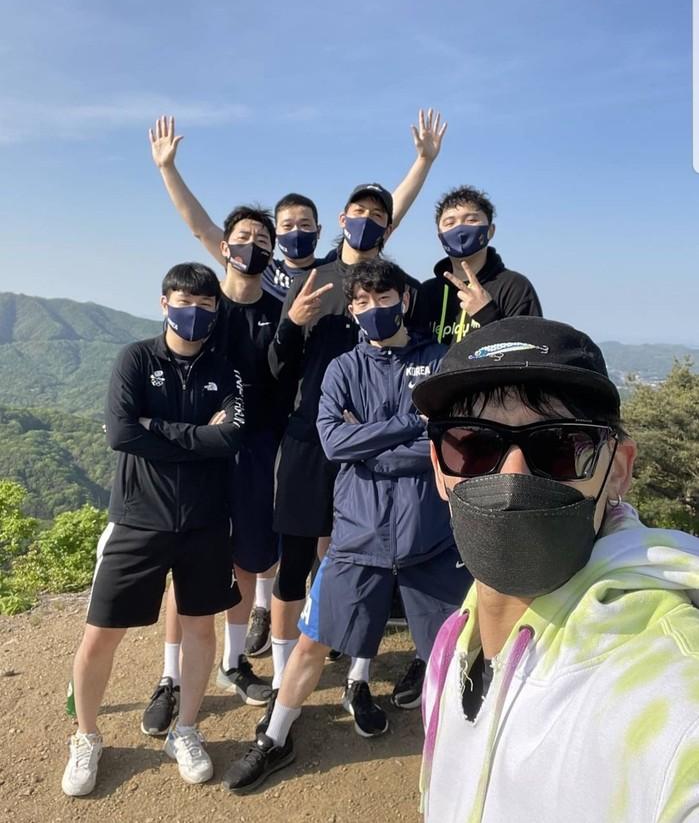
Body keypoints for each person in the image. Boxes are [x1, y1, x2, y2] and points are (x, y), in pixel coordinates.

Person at [412, 315, 699, 822]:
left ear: (618, 471)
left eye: (560, 448)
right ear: (439, 467)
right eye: (473, 446)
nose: (513, 475)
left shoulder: (669, 685)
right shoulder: (453, 642)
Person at [222, 259, 470, 793]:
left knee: (451, 652)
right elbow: (334, 443)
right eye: (361, 302)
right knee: (313, 642)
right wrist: (411, 425)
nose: (372, 309)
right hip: (358, 535)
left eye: (383, 299)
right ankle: (274, 736)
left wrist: (372, 443)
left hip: (429, 537)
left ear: (405, 300)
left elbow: (448, 443)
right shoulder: (342, 368)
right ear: (352, 310)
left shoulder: (439, 363)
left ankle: (461, 753)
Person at [62, 263, 245, 796]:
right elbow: (121, 433)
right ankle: (86, 736)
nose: (194, 312)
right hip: (136, 519)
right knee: (101, 633)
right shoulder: (136, 359)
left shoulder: (226, 371)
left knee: (200, 630)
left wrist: (158, 428)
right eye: (184, 301)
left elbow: (231, 439)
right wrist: (196, 436)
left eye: (205, 304)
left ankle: (184, 730)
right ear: (164, 303)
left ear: (216, 309)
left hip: (206, 521)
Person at [139, 204, 288, 738]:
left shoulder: (281, 309)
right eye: (243, 236)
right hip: (200, 453)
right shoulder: (205, 304)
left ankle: (233, 662)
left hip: (256, 451)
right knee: (188, 564)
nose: (253, 245)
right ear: (225, 247)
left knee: (246, 561)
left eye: (262, 239)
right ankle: (171, 677)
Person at [148, 110, 445, 300]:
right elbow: (202, 229)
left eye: (305, 225)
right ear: (276, 233)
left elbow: (388, 217)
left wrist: (423, 161)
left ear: (319, 230)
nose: (296, 231)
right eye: (287, 226)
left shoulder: (330, 267)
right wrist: (167, 168)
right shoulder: (260, 268)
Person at [413, 185, 542, 344]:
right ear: (440, 236)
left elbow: (533, 350)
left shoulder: (514, 287)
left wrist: (487, 315)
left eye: (471, 220)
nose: (460, 229)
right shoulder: (426, 292)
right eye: (450, 223)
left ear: (490, 231)